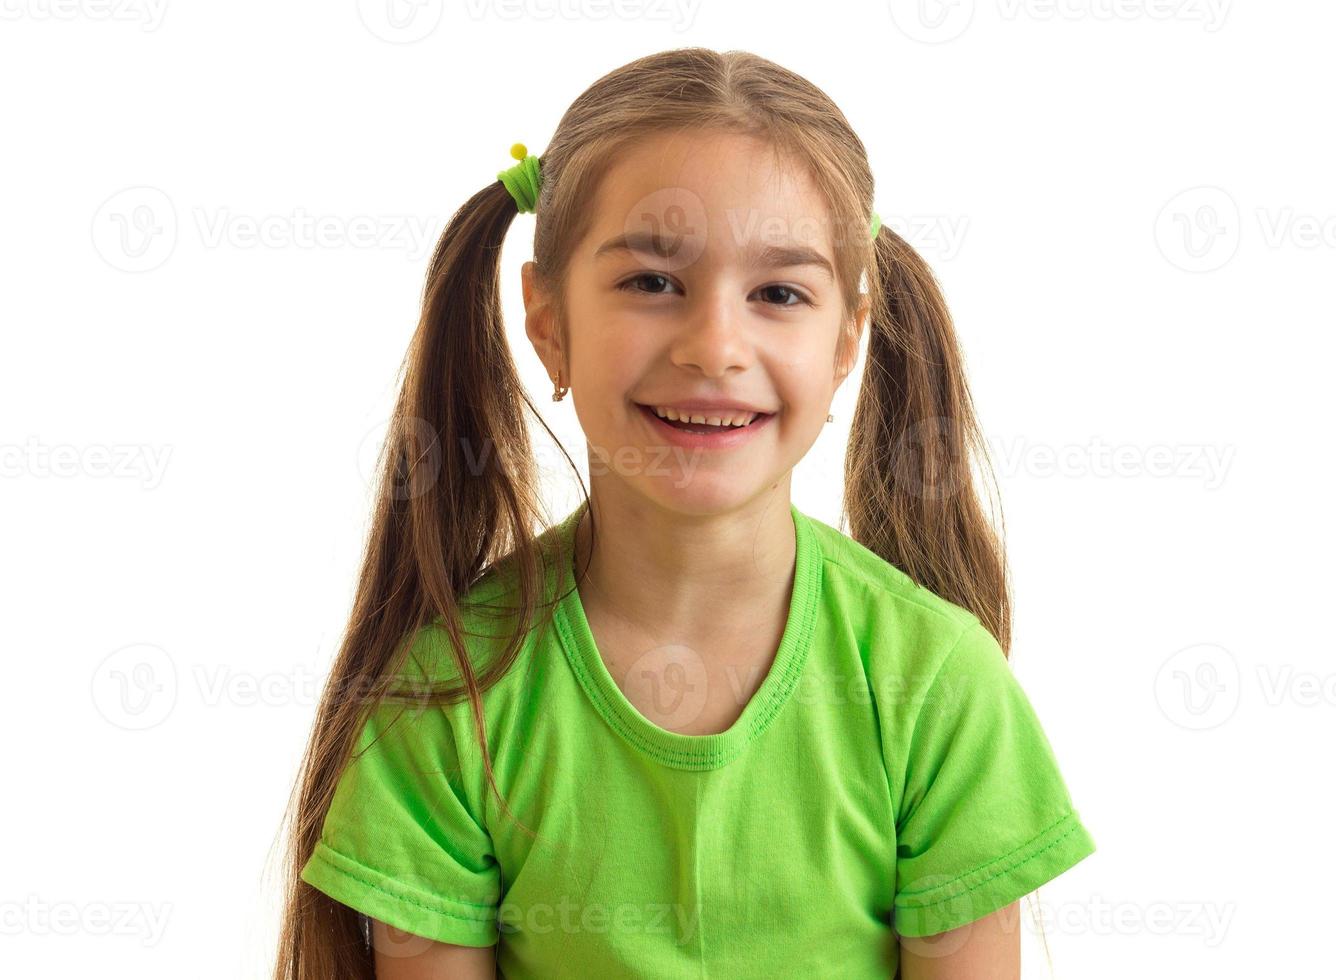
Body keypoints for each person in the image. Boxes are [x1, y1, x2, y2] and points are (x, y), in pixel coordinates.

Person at [273, 46, 1096, 980]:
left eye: (779, 293)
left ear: (846, 342)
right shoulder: (449, 696)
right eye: (652, 282)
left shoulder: (939, 685)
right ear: (548, 321)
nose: (715, 346)